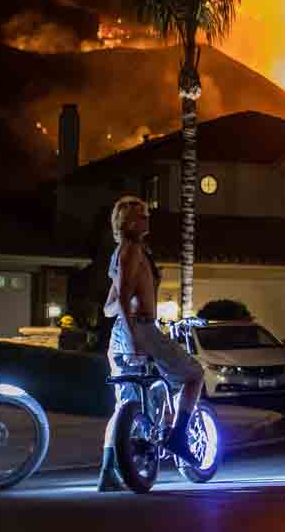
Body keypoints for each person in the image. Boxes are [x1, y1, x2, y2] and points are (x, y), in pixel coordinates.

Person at [100, 196, 204, 477]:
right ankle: (179, 437)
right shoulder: (132, 251)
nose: (147, 219)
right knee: (194, 374)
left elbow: (109, 307)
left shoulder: (121, 254)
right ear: (128, 223)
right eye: (141, 216)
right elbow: (121, 299)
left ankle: (108, 473)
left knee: (125, 405)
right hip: (141, 330)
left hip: (120, 333)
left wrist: (129, 306)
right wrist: (135, 333)